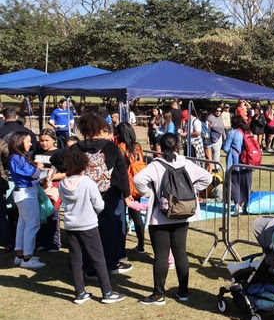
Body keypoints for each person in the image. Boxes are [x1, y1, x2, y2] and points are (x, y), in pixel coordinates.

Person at [50, 112, 132, 277]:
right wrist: (127, 193)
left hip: (83, 194)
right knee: (109, 230)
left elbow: (55, 158)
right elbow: (122, 171)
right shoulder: (112, 147)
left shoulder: (76, 148)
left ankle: (87, 266)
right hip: (108, 193)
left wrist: (72, 170)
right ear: (101, 129)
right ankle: (110, 263)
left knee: (87, 232)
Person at [133, 133, 212, 305]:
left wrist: (150, 193)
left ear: (160, 147)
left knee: (161, 256)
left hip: (160, 217)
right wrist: (192, 191)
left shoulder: (156, 165)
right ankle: (183, 292)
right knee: (180, 253)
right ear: (177, 146)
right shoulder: (185, 162)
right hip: (182, 214)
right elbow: (208, 177)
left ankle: (158, 294)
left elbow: (137, 179)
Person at [58, 146, 126, 304]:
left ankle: (80, 293)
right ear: (84, 165)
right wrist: (93, 211)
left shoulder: (62, 183)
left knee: (76, 259)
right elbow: (99, 204)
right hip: (88, 224)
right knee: (98, 258)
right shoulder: (87, 183)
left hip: (70, 224)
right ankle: (107, 292)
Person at [8, 131, 46, 269]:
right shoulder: (17, 158)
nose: (31, 144)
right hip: (26, 194)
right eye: (28, 141)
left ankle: (20, 255)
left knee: (23, 224)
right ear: (19, 141)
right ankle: (27, 257)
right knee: (32, 224)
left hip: (24, 193)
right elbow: (32, 174)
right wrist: (39, 169)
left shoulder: (17, 157)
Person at [116, 122, 147, 255]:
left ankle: (120, 245)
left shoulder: (120, 148)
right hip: (136, 185)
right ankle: (141, 244)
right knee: (136, 216)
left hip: (124, 185)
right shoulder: (137, 147)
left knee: (121, 216)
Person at [33, 128, 63, 252]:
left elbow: (66, 172)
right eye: (41, 140)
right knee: (39, 215)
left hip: (53, 188)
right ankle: (41, 242)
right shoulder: (37, 152)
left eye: (47, 140)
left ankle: (53, 243)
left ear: (54, 140)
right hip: (38, 187)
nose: (44, 143)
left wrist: (50, 177)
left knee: (52, 215)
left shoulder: (60, 153)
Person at [222, 115, 253, 216]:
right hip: (247, 161)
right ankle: (243, 204)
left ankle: (237, 205)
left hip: (234, 162)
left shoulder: (232, 132)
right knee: (245, 184)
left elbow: (226, 148)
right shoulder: (247, 132)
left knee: (234, 184)